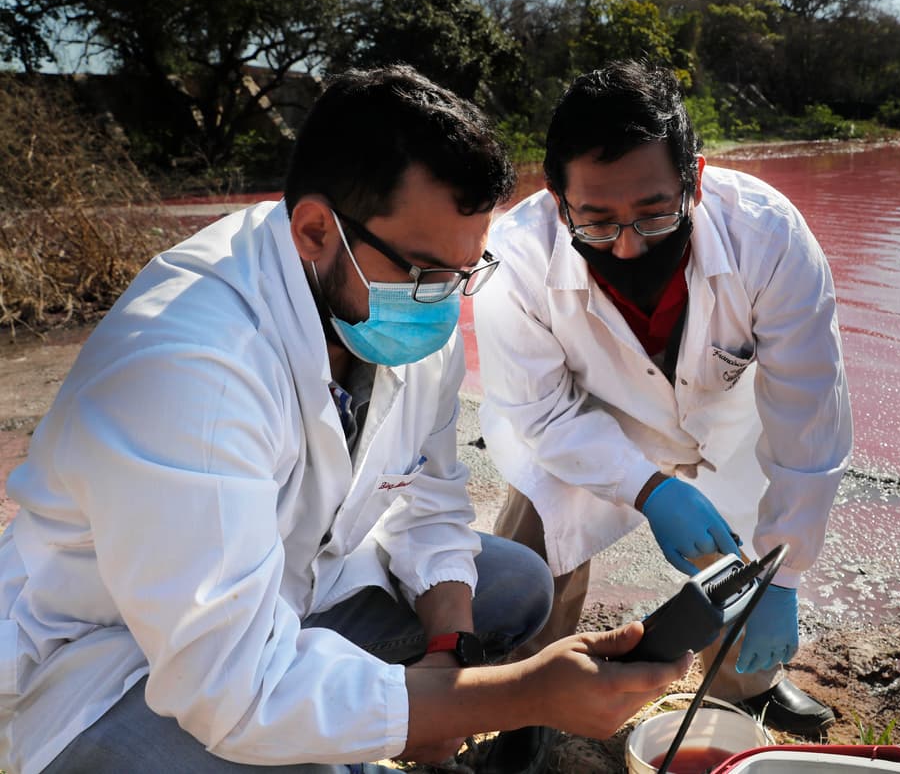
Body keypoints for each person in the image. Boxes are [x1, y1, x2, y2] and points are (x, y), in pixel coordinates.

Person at [0, 65, 689, 774]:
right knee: (304, 754)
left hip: (288, 593)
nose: (444, 304)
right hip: (112, 660)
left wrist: (448, 659)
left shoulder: (404, 304)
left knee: (512, 586)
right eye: (424, 272)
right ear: (313, 230)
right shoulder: (188, 366)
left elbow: (431, 498)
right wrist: (510, 695)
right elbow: (231, 691)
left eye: (464, 270)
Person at [474, 59, 854, 751]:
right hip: (578, 419)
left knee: (753, 550)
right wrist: (647, 489)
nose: (626, 244)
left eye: (654, 213)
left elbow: (809, 416)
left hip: (721, 413)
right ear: (559, 201)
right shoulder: (514, 261)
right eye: (596, 220)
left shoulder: (770, 238)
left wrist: (788, 571)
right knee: (537, 544)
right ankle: (522, 706)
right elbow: (538, 411)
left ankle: (747, 686)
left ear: (695, 180)